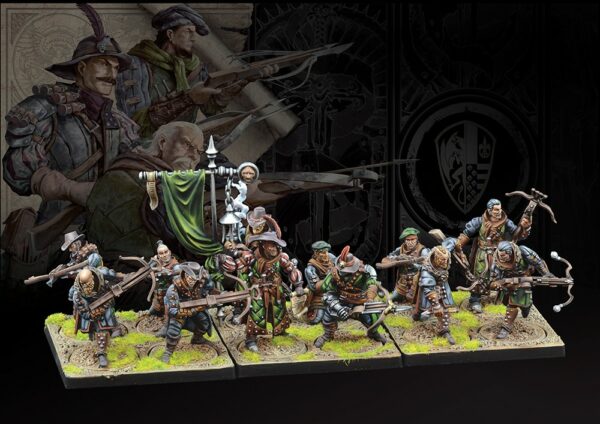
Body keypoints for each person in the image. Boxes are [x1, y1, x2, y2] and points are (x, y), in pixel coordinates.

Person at [2, 4, 139, 258]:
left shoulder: (120, 122)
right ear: (82, 68)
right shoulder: (45, 108)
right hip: (59, 236)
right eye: (104, 64)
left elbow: (134, 166)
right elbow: (16, 169)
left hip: (112, 232)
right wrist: (69, 189)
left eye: (115, 67)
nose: (112, 74)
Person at [116, 4, 277, 137]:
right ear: (170, 34)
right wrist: (188, 99)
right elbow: (136, 127)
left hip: (186, 146)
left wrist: (242, 81)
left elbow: (211, 109)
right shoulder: (135, 66)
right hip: (147, 151)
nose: (193, 38)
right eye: (188, 32)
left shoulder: (194, 67)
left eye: (194, 33)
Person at [455, 198, 532, 313]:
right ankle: (475, 300)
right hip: (483, 253)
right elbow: (466, 234)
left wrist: (523, 227)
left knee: (502, 275)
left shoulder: (506, 222)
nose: (499, 211)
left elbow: (517, 236)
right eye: (496, 209)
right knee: (480, 275)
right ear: (490, 210)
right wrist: (458, 245)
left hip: (499, 253)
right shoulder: (479, 221)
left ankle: (504, 298)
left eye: (500, 209)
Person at [241, 231, 303, 352]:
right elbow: (240, 268)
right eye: (271, 245)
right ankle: (251, 338)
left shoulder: (281, 257)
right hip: (258, 290)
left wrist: (298, 285)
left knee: (279, 310)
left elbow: (291, 269)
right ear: (263, 245)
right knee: (257, 313)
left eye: (275, 245)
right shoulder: (252, 256)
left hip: (276, 289)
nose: (274, 248)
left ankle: (280, 332)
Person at [314, 246, 386, 348]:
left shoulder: (363, 273)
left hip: (360, 301)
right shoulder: (334, 274)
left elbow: (372, 284)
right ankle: (328, 335)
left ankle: (373, 333)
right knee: (328, 315)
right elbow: (328, 294)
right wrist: (338, 308)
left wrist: (370, 298)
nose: (344, 273)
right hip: (341, 301)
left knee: (372, 317)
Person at [489, 241, 554, 339]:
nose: (502, 258)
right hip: (508, 282)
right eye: (500, 255)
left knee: (518, 303)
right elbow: (494, 280)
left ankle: (508, 325)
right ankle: (509, 324)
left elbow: (537, 262)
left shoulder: (523, 251)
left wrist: (547, 274)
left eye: (504, 255)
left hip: (524, 278)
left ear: (510, 253)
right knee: (507, 302)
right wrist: (500, 285)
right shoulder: (496, 261)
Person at [162, 262, 215, 363]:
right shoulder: (173, 289)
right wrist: (194, 310)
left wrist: (208, 282)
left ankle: (197, 338)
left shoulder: (199, 283)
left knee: (205, 322)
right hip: (180, 311)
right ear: (185, 275)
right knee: (174, 330)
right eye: (191, 278)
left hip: (195, 307)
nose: (192, 282)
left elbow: (209, 289)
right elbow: (173, 311)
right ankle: (168, 352)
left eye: (195, 279)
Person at [71, 267, 122, 368]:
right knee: (91, 329)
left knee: (102, 329)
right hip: (88, 312)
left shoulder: (102, 284)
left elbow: (110, 296)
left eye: (88, 283)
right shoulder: (77, 294)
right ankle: (94, 336)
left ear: (92, 278)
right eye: (84, 284)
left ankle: (101, 353)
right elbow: (83, 311)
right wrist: (92, 314)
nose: (86, 287)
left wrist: (105, 303)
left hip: (103, 311)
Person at [414, 244, 457, 344]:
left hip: (442, 289)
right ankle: (417, 315)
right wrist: (436, 305)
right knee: (420, 308)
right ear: (436, 258)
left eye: (446, 259)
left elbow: (451, 243)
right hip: (429, 292)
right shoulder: (427, 270)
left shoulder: (443, 266)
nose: (445, 262)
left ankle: (444, 330)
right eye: (442, 259)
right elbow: (429, 289)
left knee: (445, 310)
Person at [382, 227, 429, 304]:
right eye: (408, 240)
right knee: (390, 300)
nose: (410, 242)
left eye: (412, 239)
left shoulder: (423, 250)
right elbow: (385, 259)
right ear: (405, 240)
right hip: (403, 284)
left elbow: (428, 266)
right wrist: (397, 258)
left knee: (421, 303)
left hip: (417, 284)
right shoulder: (400, 249)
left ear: (416, 239)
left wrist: (412, 263)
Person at [147, 241, 180, 337]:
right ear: (158, 255)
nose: (164, 255)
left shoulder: (175, 265)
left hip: (169, 298)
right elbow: (146, 273)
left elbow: (177, 278)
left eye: (166, 252)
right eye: (161, 253)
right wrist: (151, 262)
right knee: (151, 312)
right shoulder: (157, 263)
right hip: (157, 298)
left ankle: (167, 328)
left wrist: (166, 273)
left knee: (170, 311)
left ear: (169, 252)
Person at [304, 241, 336, 324]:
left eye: (327, 252)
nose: (326, 255)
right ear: (316, 253)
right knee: (316, 319)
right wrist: (330, 276)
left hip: (335, 291)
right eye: (323, 253)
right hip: (319, 295)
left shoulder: (331, 258)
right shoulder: (311, 268)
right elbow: (315, 287)